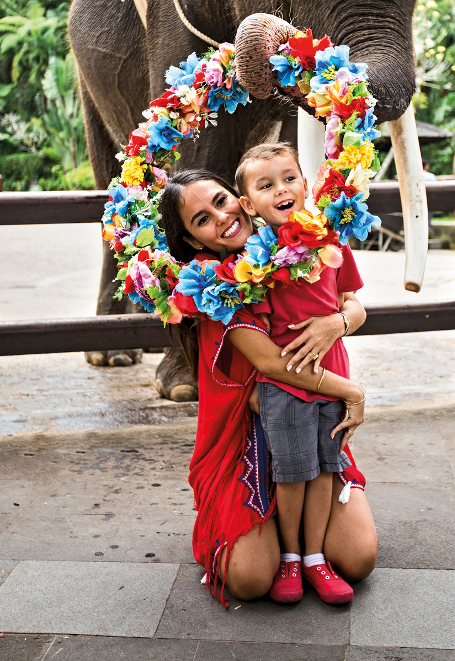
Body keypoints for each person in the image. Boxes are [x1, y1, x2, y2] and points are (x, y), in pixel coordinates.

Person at [159, 169, 377, 606]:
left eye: (221, 201)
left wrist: (339, 321)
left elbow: (349, 298)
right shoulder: (211, 283)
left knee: (358, 559)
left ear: (240, 199)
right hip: (247, 438)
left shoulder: (294, 239)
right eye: (201, 220)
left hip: (311, 413)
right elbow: (272, 363)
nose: (220, 218)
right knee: (250, 580)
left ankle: (303, 546)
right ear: (196, 241)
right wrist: (351, 392)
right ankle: (262, 535)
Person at [235, 141, 366, 604]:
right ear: (249, 205)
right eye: (266, 185)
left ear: (306, 184)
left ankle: (315, 558)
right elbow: (256, 338)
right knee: (291, 473)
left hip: (332, 377)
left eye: (289, 178)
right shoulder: (252, 264)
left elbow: (353, 301)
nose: (282, 189)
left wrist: (340, 322)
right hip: (284, 386)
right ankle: (290, 555)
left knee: (326, 470)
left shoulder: (331, 239)